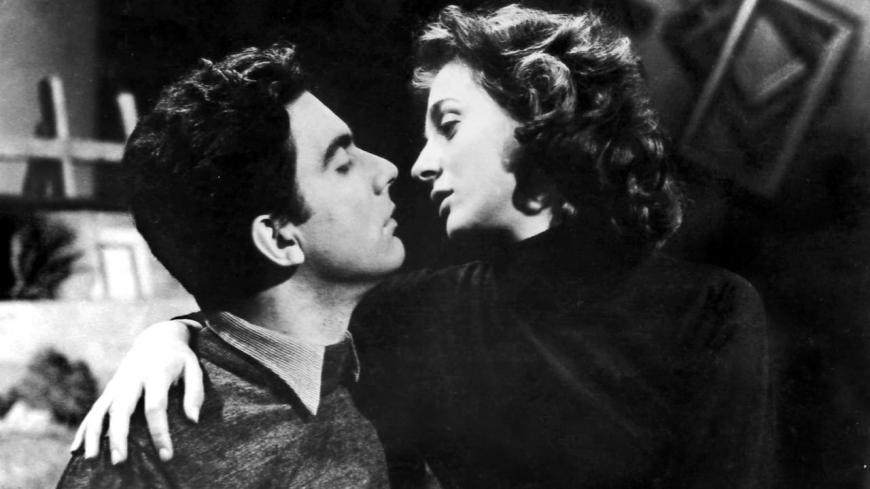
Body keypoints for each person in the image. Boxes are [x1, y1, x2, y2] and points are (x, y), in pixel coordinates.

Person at [72, 5, 773, 488]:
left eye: (450, 124)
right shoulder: (406, 318)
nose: (414, 165)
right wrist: (171, 337)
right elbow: (270, 324)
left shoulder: (710, 310)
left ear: (540, 116)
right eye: (344, 161)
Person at [56, 44, 404, 488]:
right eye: (342, 164)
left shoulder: (387, 363)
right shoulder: (144, 446)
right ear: (279, 238)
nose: (386, 169)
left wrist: (173, 330)